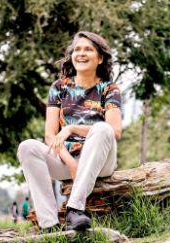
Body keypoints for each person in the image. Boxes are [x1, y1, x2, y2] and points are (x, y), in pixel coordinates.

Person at [17, 31, 122, 232]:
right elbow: (50, 135)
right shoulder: (59, 87)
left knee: (102, 128)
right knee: (27, 147)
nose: (81, 53)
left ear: (100, 58)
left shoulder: (110, 89)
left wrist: (71, 128)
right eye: (77, 49)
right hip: (66, 160)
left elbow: (115, 131)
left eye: (88, 49)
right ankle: (49, 224)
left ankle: (74, 209)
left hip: (100, 160)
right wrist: (71, 162)